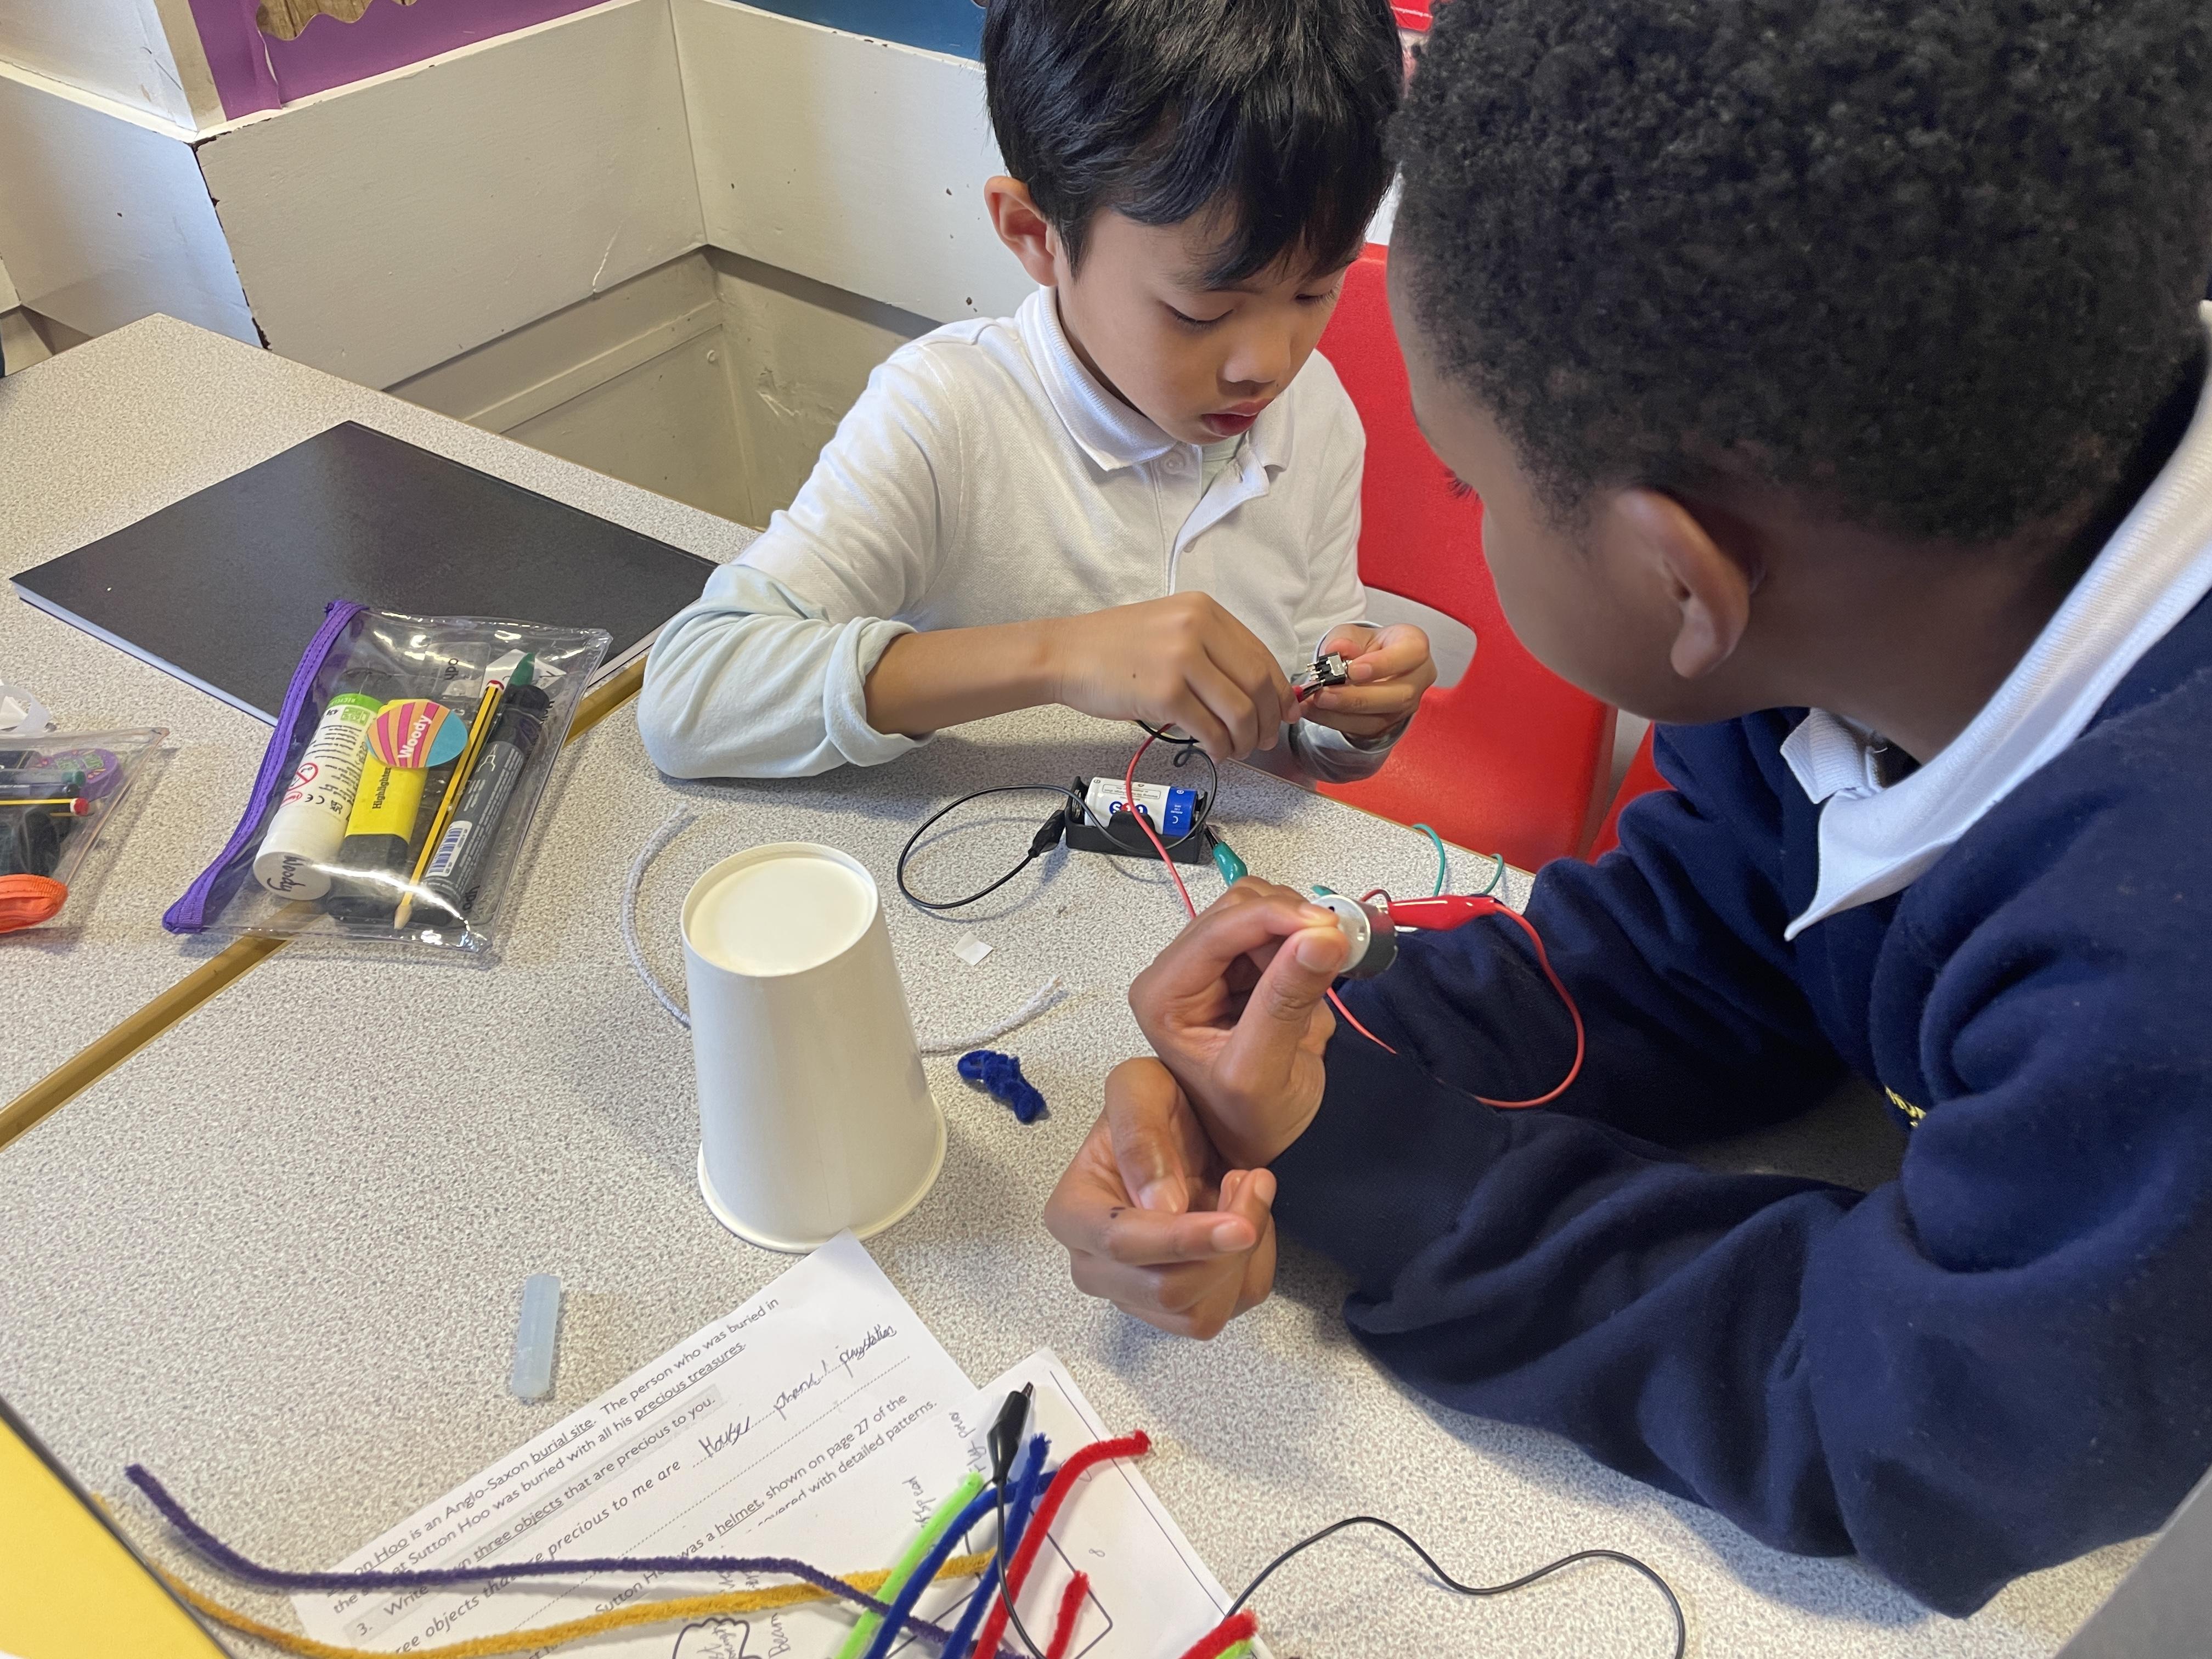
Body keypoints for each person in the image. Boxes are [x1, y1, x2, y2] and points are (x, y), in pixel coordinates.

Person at [1044, 0, 2212, 1616]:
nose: (1465, 519)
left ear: (1682, 580)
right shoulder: (1932, 561)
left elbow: (1916, 1420)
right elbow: (1706, 949)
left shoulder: (2164, 947)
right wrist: (1316, 1060)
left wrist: (1379, 1165)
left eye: (1470, 488)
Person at [637, 0, 1433, 782]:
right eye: (1203, 312)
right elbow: (691, 695)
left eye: (1315, 293)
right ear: (1035, 233)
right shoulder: (946, 413)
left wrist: (1353, 714)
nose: (1268, 363)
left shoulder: (1314, 412)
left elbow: (1301, 741)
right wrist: (1059, 656)